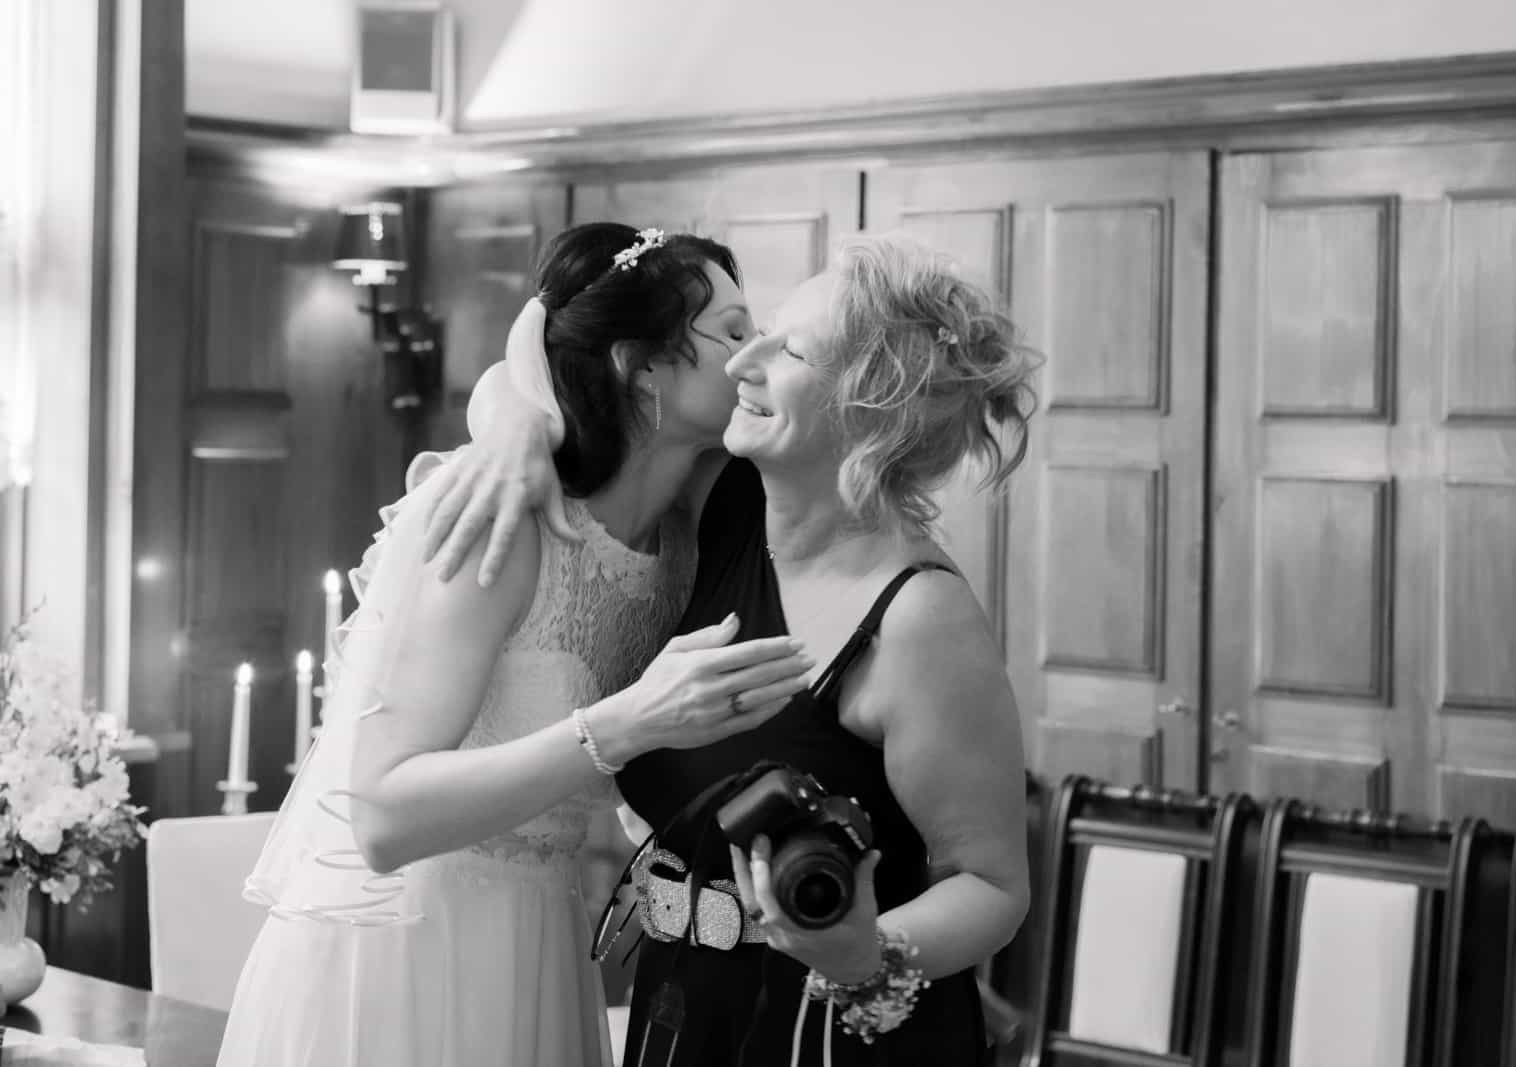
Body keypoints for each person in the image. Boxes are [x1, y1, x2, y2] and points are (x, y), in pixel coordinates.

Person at [428, 234, 1037, 1065]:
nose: (743, 361)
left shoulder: (920, 618)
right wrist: (512, 427)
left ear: (870, 404)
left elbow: (992, 885)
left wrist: (864, 953)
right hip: (682, 1012)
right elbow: (568, 355)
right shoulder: (719, 500)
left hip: (834, 1037)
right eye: (755, 332)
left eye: (789, 348)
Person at [215, 224, 815, 1067]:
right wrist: (626, 724)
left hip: (542, 938)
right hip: (411, 947)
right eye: (733, 331)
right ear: (639, 365)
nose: (757, 356)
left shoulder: (688, 539)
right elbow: (382, 815)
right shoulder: (501, 517)